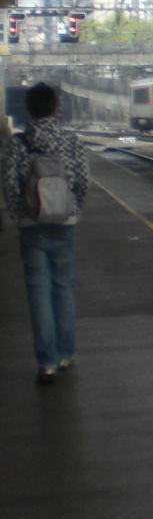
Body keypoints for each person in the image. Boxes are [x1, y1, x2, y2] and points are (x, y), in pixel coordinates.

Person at [4, 83, 90, 385]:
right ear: (56, 108)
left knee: (38, 293)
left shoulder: (19, 144)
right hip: (65, 223)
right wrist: (74, 209)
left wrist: (20, 216)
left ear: (29, 110)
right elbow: (82, 181)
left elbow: (11, 186)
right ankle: (66, 354)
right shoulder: (71, 141)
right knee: (63, 288)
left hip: (32, 225)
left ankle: (47, 363)